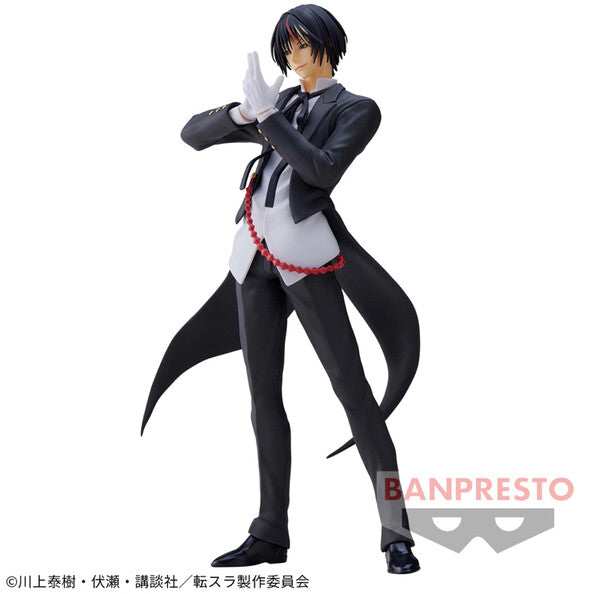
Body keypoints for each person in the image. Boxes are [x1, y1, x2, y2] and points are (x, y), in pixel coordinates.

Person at [141, 4, 421, 574]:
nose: (294, 56)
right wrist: (241, 112)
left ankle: (397, 532)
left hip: (306, 258)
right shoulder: (282, 103)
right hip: (253, 257)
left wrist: (269, 119)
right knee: (262, 396)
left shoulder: (357, 108)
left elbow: (321, 170)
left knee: (353, 391)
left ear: (328, 44)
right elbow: (191, 135)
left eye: (302, 43)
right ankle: (270, 533)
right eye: (286, 46)